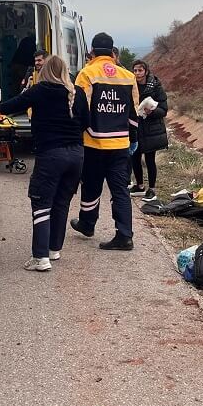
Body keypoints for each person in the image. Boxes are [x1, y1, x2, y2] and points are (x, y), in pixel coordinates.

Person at [0, 55, 87, 272]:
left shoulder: (40, 90)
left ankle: (40, 258)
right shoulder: (77, 94)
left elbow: (9, 106)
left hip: (51, 154)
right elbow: (86, 123)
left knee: (41, 203)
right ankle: (53, 249)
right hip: (76, 155)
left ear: (45, 72)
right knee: (62, 202)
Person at [70, 32, 140, 250]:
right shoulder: (128, 76)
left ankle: (87, 224)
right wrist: (132, 139)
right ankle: (125, 235)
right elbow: (133, 113)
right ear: (112, 52)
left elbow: (79, 109)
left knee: (91, 185)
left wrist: (78, 135)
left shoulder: (86, 74)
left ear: (91, 52)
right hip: (120, 144)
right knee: (120, 190)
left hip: (93, 143)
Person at [130, 59, 168, 201]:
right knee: (135, 157)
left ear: (146, 71)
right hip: (136, 126)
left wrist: (152, 111)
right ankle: (140, 186)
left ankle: (152, 189)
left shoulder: (156, 87)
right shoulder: (130, 85)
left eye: (140, 70)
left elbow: (164, 109)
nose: (137, 73)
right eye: (135, 70)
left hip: (151, 128)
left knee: (150, 159)